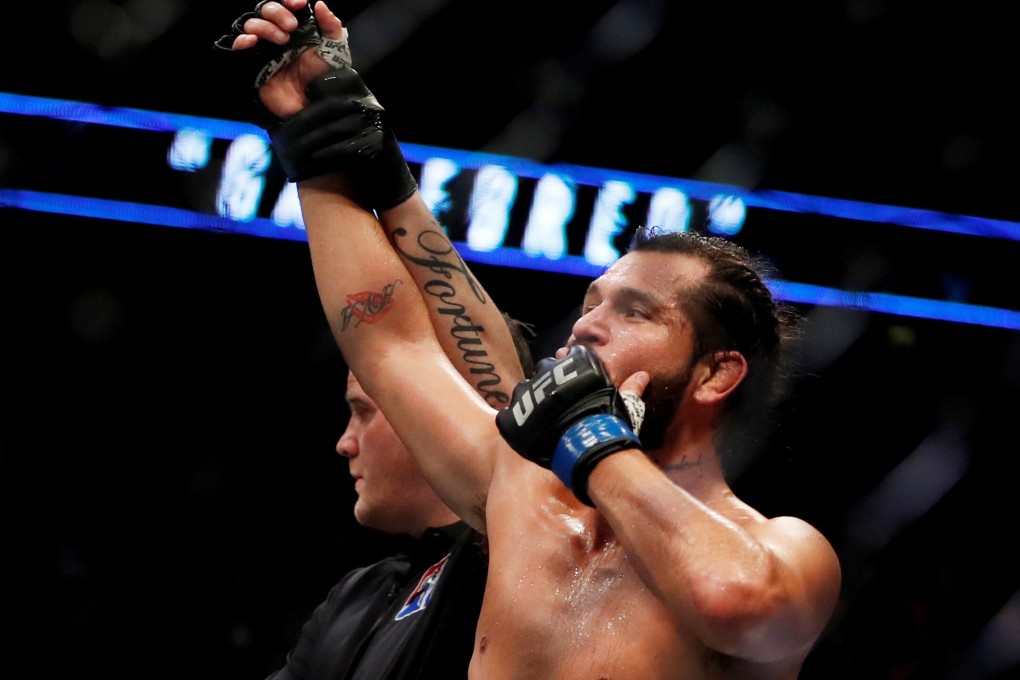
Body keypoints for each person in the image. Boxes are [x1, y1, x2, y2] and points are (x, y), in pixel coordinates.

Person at [220, 2, 843, 677]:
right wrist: (314, 141)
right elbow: (389, 339)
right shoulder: (518, 493)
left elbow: (733, 603)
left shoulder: (784, 549)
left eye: (634, 313)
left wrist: (597, 446)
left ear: (716, 374)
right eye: (589, 305)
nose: (585, 326)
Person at [268, 314, 535, 680]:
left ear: (430, 413)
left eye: (363, 412)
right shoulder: (352, 596)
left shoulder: (517, 564)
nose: (345, 443)